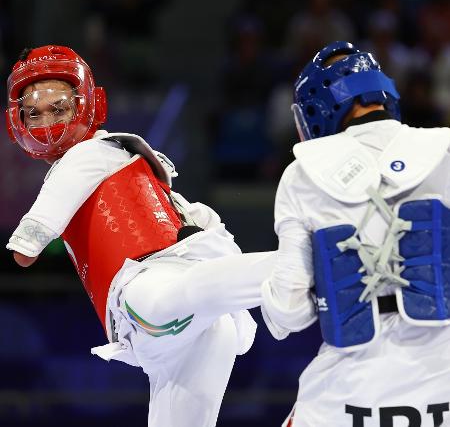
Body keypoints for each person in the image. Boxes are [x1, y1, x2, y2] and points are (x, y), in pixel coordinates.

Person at [5, 45, 273, 427]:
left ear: (87, 106)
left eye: (59, 108)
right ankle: (286, 269)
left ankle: (299, 261)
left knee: (175, 295)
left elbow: (25, 249)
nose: (46, 122)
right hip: (202, 329)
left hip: (152, 291)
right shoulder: (129, 155)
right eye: (34, 113)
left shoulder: (81, 159)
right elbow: (201, 222)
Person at [261, 41, 450, 427]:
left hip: (350, 395)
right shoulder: (444, 149)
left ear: (315, 108)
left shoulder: (303, 174)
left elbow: (289, 310)